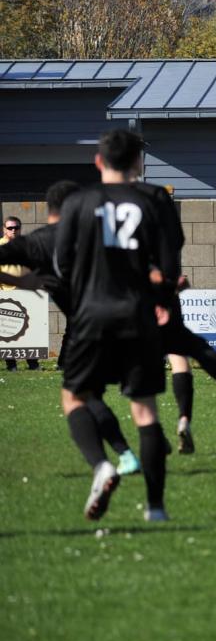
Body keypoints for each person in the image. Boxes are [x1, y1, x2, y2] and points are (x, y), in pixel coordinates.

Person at [54, 129, 180, 522]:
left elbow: (63, 265)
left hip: (91, 315)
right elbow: (171, 267)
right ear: (138, 164)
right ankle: (156, 508)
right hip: (138, 315)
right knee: (145, 412)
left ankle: (102, 464)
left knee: (75, 397)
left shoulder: (78, 202)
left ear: (98, 161)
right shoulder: (156, 199)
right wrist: (162, 303)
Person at [0, 181, 141, 475]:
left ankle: (104, 466)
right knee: (91, 395)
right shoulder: (97, 238)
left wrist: (19, 282)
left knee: (73, 398)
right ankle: (127, 455)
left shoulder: (35, 242)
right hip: (119, 324)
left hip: (86, 327)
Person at [2, 215, 40, 370]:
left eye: (16, 228)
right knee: (8, 331)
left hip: (26, 295)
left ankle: (33, 364)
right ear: (4, 229)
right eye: (10, 228)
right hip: (5, 294)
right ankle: (11, 365)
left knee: (30, 330)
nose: (13, 231)